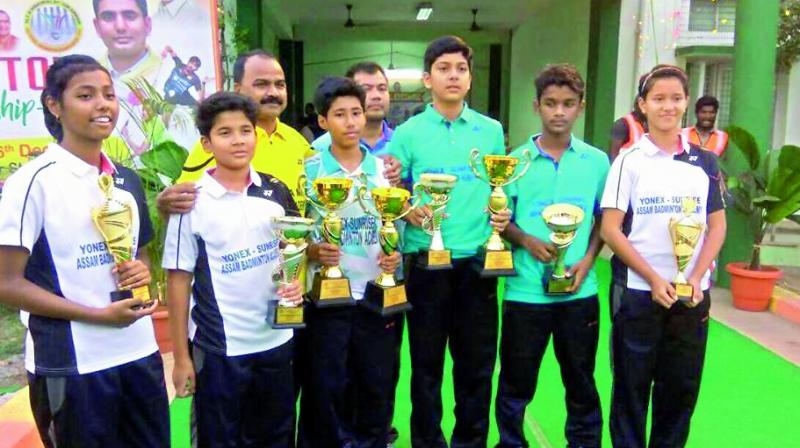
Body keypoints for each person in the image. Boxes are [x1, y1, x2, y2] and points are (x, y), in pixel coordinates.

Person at [0, 55, 168, 447]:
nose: (103, 105)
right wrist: (96, 315)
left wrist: (143, 273)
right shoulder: (32, 183)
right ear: (54, 105)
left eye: (109, 94)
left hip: (139, 352)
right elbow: (6, 283)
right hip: (73, 363)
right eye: (86, 95)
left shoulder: (125, 179)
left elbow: (140, 254)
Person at [389, 35, 511, 447]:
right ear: (428, 79)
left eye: (460, 68)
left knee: (476, 365)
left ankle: (470, 441)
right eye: (443, 69)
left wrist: (502, 212)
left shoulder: (491, 131)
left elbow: (499, 186)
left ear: (470, 78)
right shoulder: (407, 133)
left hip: (477, 262)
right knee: (425, 366)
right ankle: (427, 441)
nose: (453, 76)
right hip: (425, 262)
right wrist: (408, 211)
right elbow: (389, 188)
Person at [164, 91, 302, 447]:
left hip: (277, 339)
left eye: (246, 130)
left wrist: (296, 283)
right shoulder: (190, 202)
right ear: (206, 143)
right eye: (225, 133)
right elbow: (178, 282)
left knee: (277, 435)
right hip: (220, 348)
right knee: (220, 438)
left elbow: (295, 253)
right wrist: (181, 358)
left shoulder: (275, 191)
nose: (238, 140)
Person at [600, 65, 727, 448]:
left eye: (675, 98)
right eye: (658, 98)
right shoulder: (629, 161)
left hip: (689, 298)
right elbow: (610, 229)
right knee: (631, 390)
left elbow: (716, 227)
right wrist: (654, 279)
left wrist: (695, 278)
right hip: (639, 294)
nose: (667, 106)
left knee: (680, 392)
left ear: (686, 103)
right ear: (643, 105)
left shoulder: (704, 161)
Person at [495, 64, 609, 448]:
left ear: (580, 107)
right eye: (550, 103)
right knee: (515, 381)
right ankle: (512, 443)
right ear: (536, 106)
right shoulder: (514, 161)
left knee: (580, 380)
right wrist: (526, 240)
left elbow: (603, 221)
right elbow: (500, 221)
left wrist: (588, 261)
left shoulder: (596, 162)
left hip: (580, 293)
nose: (558, 112)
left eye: (568, 104)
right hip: (525, 293)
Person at [297, 76, 402, 448]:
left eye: (355, 112)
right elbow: (296, 230)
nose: (350, 121)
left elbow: (391, 224)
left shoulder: (383, 171)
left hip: (375, 296)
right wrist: (313, 250)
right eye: (339, 114)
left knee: (375, 383)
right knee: (326, 387)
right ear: (323, 122)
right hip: (327, 298)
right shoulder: (309, 169)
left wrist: (394, 253)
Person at [158, 50, 315, 215]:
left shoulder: (298, 142)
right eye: (261, 84)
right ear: (238, 89)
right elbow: (182, 200)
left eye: (280, 84)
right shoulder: (221, 144)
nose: (273, 93)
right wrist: (166, 203)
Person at [312, 62, 395, 157]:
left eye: (382, 88)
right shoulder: (320, 148)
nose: (376, 96)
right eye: (366, 89)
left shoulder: (405, 143)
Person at [92, 0, 162, 84]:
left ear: (147, 25)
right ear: (97, 27)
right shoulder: (85, 76)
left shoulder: (167, 73)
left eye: (130, 16)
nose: (120, 26)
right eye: (108, 17)